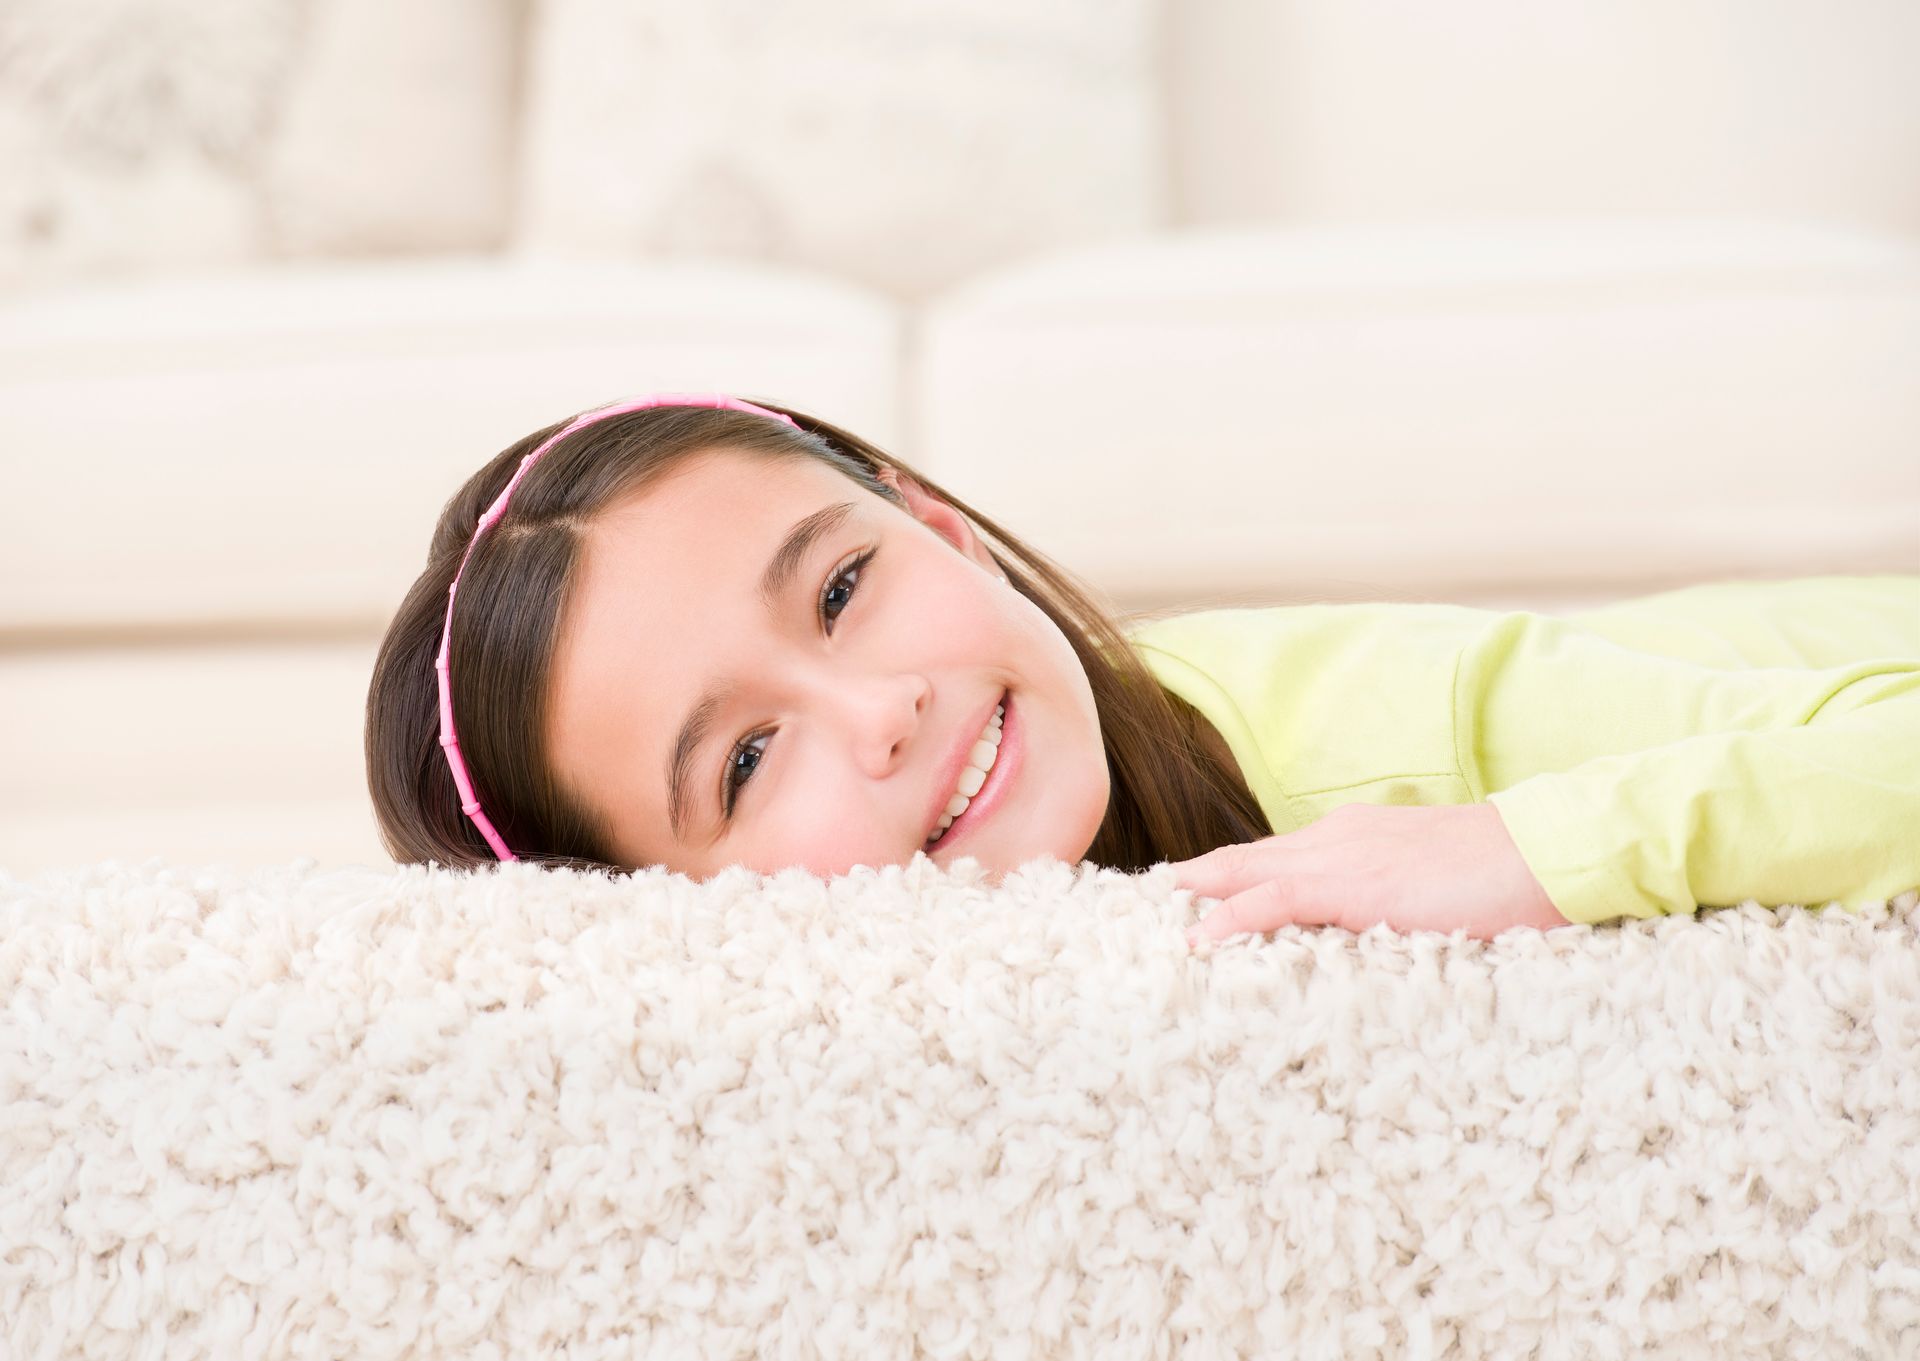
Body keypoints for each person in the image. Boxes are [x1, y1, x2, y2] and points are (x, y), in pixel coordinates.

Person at [364, 393, 1920, 945]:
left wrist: (1527, 845)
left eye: (846, 586)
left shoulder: (1387, 729)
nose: (883, 706)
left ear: (943, 530)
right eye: (748, 762)